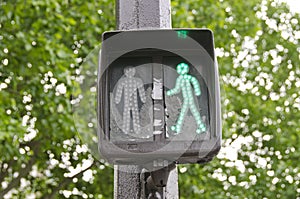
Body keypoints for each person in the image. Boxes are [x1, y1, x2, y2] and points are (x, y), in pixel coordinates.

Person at [166, 62, 206, 134]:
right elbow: (177, 89)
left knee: (191, 113)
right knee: (187, 113)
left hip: (189, 99)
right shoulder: (180, 79)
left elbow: (194, 83)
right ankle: (179, 128)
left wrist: (197, 92)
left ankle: (200, 127)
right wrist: (170, 92)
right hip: (187, 99)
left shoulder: (188, 78)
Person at [115, 66, 146, 134]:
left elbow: (141, 91)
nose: (130, 73)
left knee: (135, 115)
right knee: (127, 115)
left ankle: (137, 130)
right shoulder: (123, 81)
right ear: (125, 73)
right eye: (128, 71)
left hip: (134, 101)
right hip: (127, 101)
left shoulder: (137, 81)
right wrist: (117, 99)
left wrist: (143, 98)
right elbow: (119, 91)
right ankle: (126, 130)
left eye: (132, 71)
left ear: (134, 72)